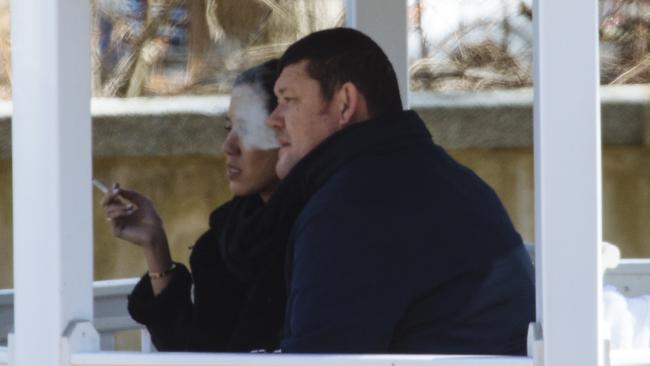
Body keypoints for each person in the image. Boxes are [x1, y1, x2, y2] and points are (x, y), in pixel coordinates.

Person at [266, 28, 536, 354]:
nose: (273, 119)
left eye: (288, 100)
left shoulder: (355, 207)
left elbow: (319, 359)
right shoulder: (433, 178)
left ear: (344, 103)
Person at [101, 59, 288, 352]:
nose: (228, 146)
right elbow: (188, 347)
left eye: (247, 130)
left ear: (288, 134)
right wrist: (155, 245)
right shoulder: (224, 239)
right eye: (228, 128)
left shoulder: (312, 232)